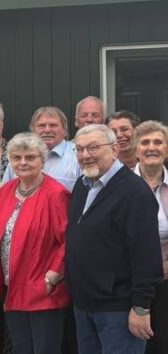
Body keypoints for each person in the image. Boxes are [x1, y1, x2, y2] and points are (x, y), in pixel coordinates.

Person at [66, 124, 163, 353]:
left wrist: (140, 308)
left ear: (115, 150)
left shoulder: (135, 193)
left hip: (118, 309)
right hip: (84, 304)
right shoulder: (82, 185)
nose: (85, 155)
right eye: (79, 149)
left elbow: (146, 255)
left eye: (93, 148)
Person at [0, 132, 71, 354]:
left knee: (45, 349)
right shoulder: (6, 190)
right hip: (12, 285)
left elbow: (69, 239)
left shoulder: (56, 194)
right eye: (16, 157)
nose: (22, 162)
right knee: (21, 347)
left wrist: (53, 275)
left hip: (42, 288)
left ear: (43, 160)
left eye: (30, 157)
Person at [132, 121, 168, 354]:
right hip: (130, 280)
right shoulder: (121, 185)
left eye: (158, 142)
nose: (151, 147)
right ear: (136, 150)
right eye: (145, 142)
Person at [3, 106, 81, 191]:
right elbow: (6, 191)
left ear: (65, 131)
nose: (47, 130)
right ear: (33, 131)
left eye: (53, 125)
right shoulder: (19, 157)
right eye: (41, 126)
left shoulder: (78, 156)